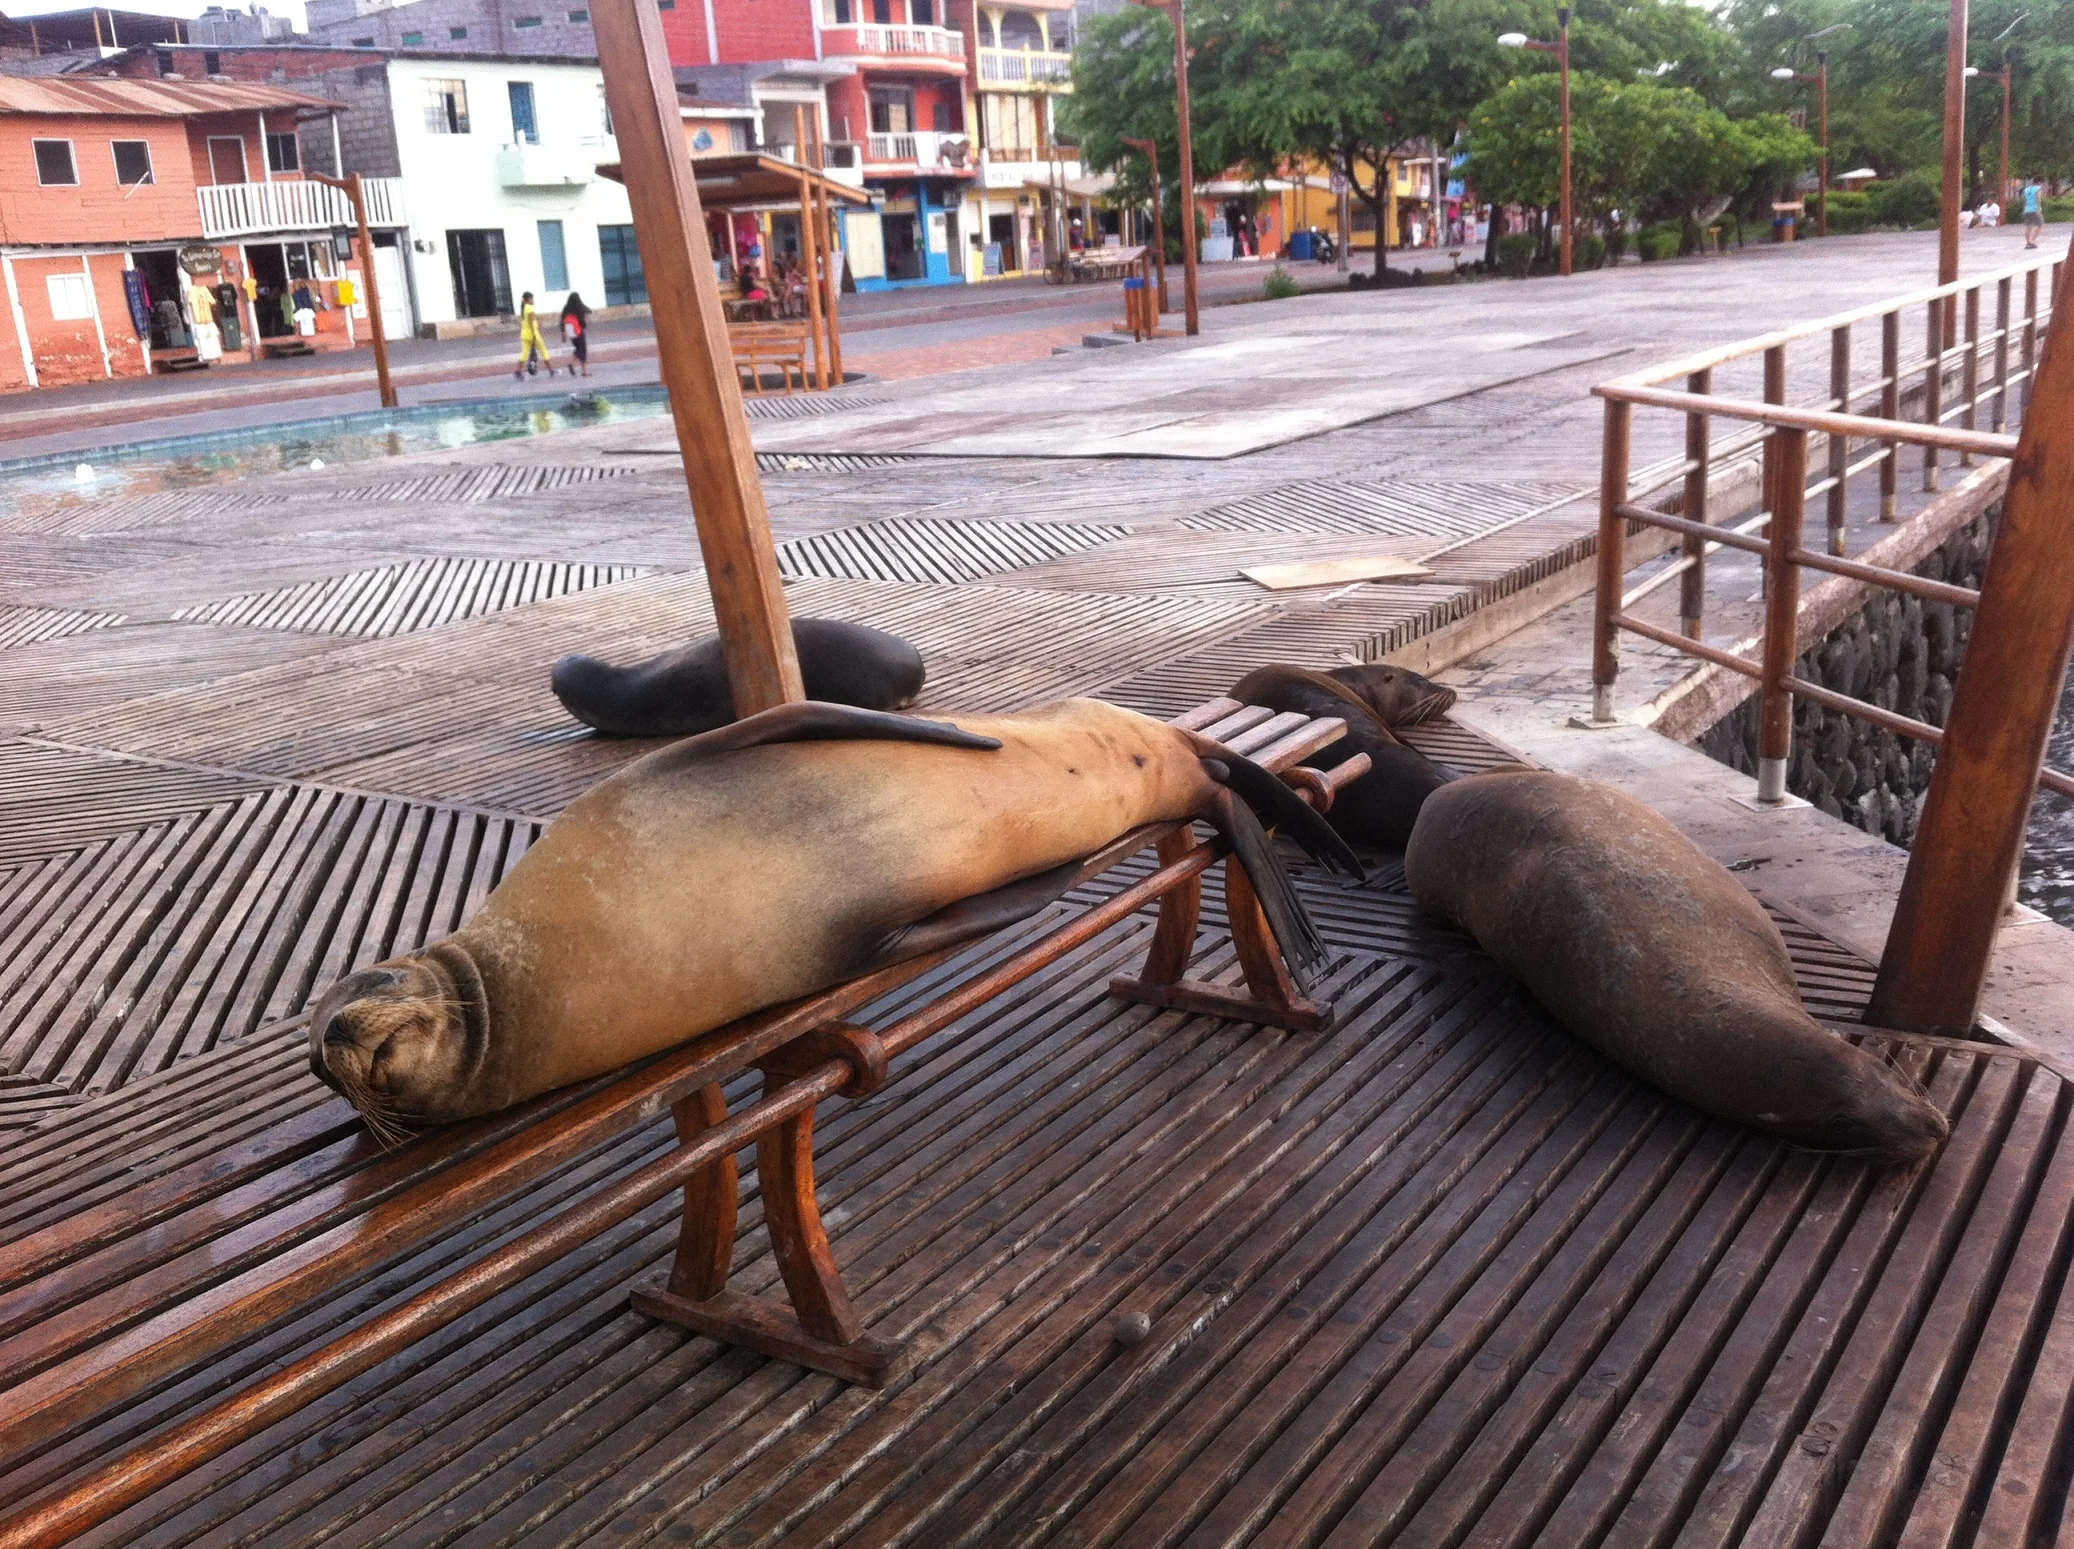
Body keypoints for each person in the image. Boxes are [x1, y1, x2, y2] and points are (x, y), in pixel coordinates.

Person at [515, 291, 553, 377]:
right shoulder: (530, 308)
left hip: (524, 334)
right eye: (532, 299)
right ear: (529, 299)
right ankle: (551, 370)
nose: (533, 301)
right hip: (533, 334)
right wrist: (535, 334)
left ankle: (518, 371)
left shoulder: (523, 308)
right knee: (543, 351)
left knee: (524, 353)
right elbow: (532, 322)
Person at [559, 291, 591, 377]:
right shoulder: (579, 306)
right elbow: (588, 312)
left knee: (578, 349)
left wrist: (563, 333)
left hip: (571, 333)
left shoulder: (566, 308)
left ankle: (572, 364)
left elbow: (562, 321)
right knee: (582, 350)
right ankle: (584, 372)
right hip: (579, 331)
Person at [2024, 178, 2045, 249]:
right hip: (2035, 209)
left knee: (2029, 226)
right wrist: (2039, 209)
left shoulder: (2027, 189)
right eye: (2042, 183)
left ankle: (2027, 242)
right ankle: (2032, 241)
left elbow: (2026, 200)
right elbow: (2038, 200)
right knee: (2041, 225)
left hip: (2027, 209)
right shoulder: (2038, 189)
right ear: (2039, 182)